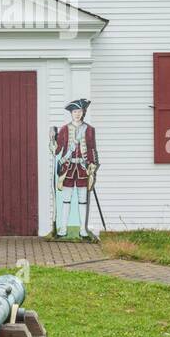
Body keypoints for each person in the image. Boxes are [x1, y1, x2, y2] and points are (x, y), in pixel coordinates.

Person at [51, 98, 98, 238]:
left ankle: (83, 229)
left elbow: (92, 149)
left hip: (83, 168)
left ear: (83, 112)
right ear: (71, 113)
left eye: (80, 111)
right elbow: (58, 150)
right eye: (74, 111)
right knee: (66, 199)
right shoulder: (65, 129)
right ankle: (63, 229)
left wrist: (93, 165)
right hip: (68, 167)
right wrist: (52, 140)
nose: (77, 114)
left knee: (83, 199)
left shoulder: (89, 129)